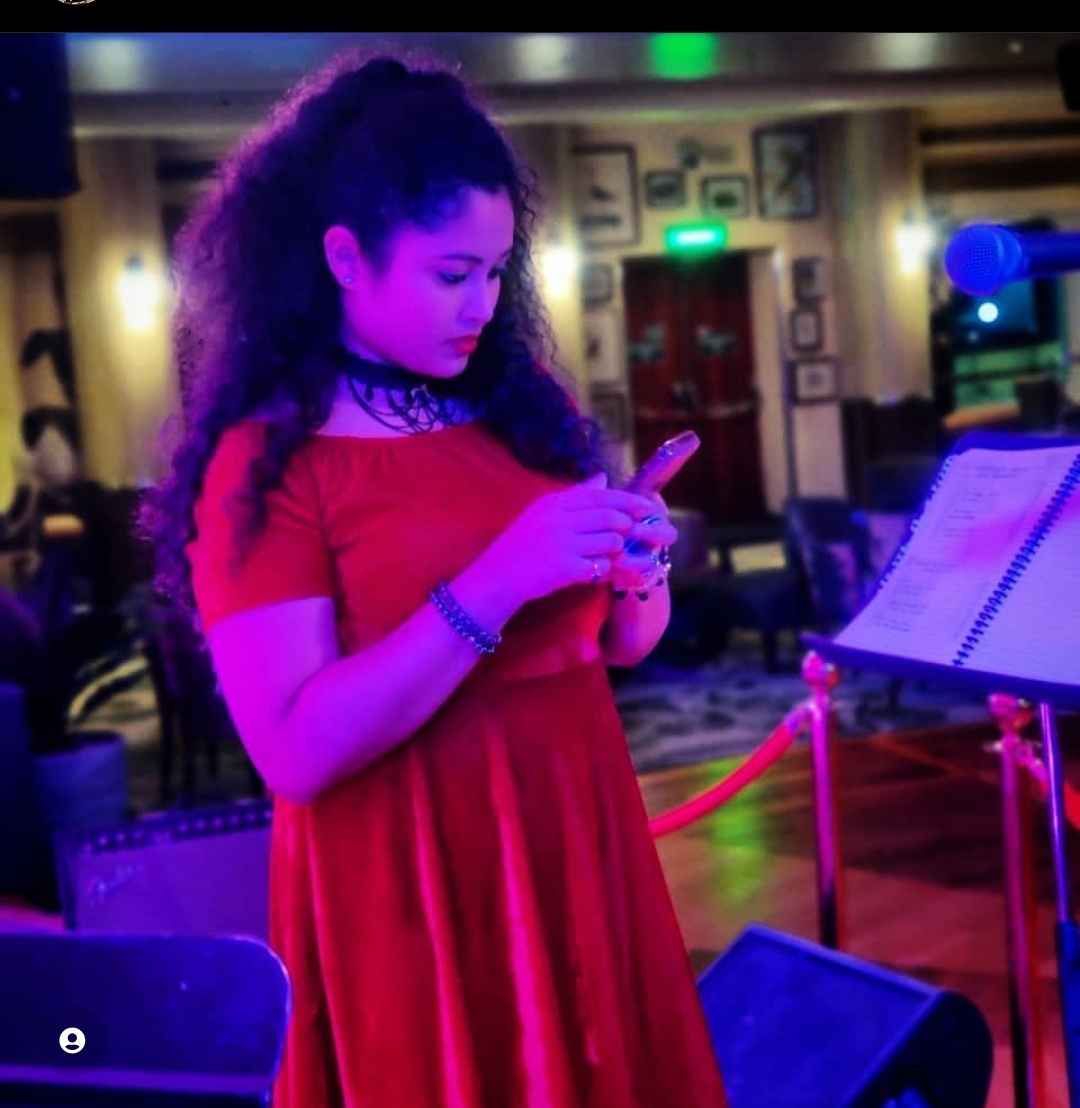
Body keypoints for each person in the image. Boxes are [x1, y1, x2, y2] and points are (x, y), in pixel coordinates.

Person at [139, 46, 729, 1108]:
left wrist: (638, 568)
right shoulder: (270, 460)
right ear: (345, 257)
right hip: (411, 871)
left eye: (497, 272)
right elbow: (295, 751)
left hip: (574, 827)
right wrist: (498, 579)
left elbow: (614, 645)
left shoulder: (515, 406)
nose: (482, 304)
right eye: (452, 274)